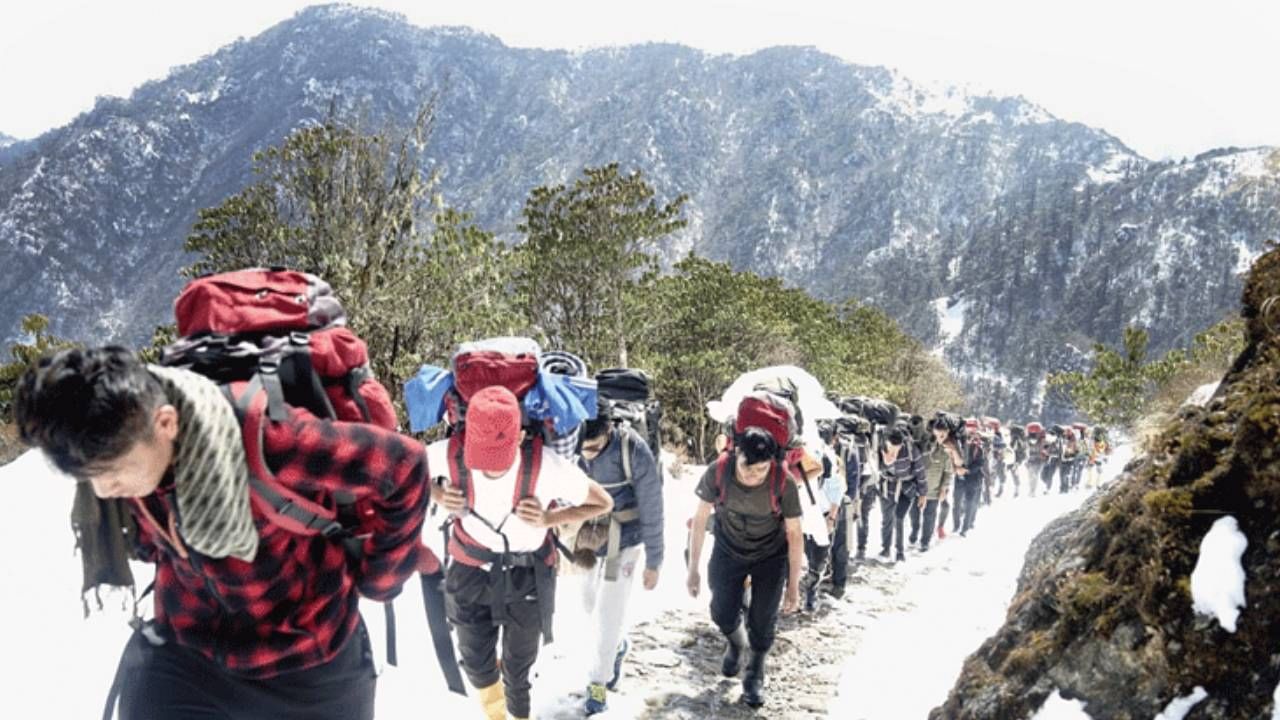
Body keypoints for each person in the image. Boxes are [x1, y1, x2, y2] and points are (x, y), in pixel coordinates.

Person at [14, 346, 432, 720]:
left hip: (307, 658)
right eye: (92, 479)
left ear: (165, 422)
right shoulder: (119, 440)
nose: (105, 490)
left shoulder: (268, 438)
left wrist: (382, 579)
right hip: (190, 653)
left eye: (114, 471)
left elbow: (404, 466)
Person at [432, 386, 614, 720]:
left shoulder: (547, 465)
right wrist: (438, 494)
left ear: (519, 436)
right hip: (470, 568)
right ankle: (495, 712)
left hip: (527, 574)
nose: (488, 468)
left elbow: (603, 502)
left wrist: (550, 518)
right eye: (481, 456)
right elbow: (401, 469)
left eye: (496, 457)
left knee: (518, 671)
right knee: (475, 662)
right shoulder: (451, 452)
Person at [686, 417, 803, 708]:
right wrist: (693, 570)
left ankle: (754, 673)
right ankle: (737, 642)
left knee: (763, 620)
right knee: (721, 611)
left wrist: (793, 587)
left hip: (770, 556)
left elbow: (795, 533)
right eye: (748, 469)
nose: (754, 476)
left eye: (762, 470)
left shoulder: (782, 482)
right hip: (728, 549)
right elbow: (700, 520)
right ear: (736, 455)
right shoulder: (719, 472)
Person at [575, 412, 664, 715]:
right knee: (587, 603)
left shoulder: (633, 448)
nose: (587, 454)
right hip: (587, 535)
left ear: (609, 430)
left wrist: (655, 559)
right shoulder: (570, 443)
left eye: (594, 447)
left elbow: (653, 506)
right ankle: (617, 646)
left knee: (608, 611)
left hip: (623, 539)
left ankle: (598, 683)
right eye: (583, 447)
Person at [799, 427, 847, 611]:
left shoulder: (830, 459)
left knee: (819, 556)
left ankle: (812, 594)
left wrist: (831, 518)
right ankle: (804, 591)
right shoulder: (803, 453)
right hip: (805, 513)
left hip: (823, 514)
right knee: (808, 553)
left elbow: (837, 490)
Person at [876, 427, 926, 563]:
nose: (894, 452)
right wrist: (885, 464)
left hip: (906, 488)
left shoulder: (911, 449)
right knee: (887, 519)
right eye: (891, 448)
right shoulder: (879, 447)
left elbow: (920, 471)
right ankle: (885, 549)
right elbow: (874, 468)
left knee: (899, 517)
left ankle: (899, 551)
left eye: (897, 449)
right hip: (887, 487)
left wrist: (923, 494)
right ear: (886, 442)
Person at [915, 418, 958, 551]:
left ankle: (925, 541)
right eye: (936, 434)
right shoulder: (922, 446)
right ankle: (913, 535)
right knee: (914, 516)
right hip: (918, 489)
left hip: (934, 490)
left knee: (930, 515)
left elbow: (948, 472)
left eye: (942, 435)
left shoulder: (946, 451)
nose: (938, 438)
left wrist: (944, 488)